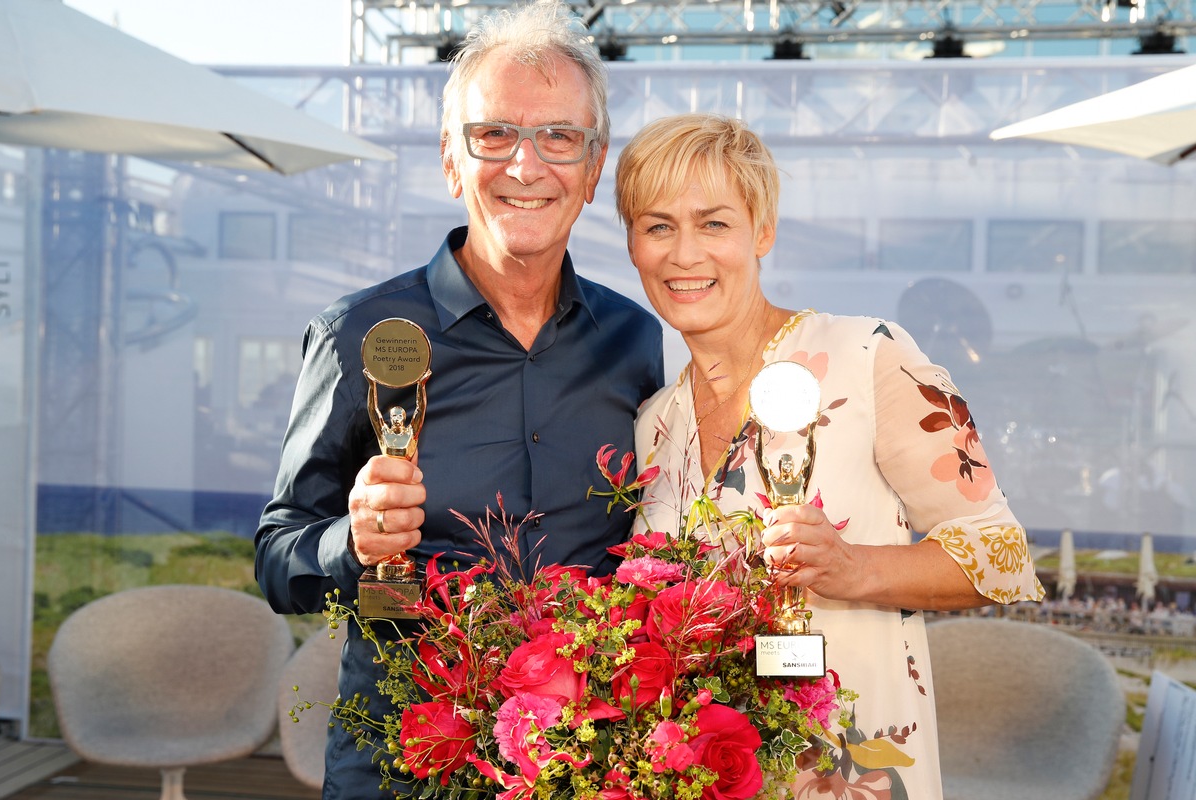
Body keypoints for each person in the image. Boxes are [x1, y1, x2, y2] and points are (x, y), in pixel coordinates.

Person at [255, 2, 664, 797]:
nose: (525, 165)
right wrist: (354, 543)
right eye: (494, 135)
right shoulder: (358, 333)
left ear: (592, 165)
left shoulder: (635, 340)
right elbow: (278, 562)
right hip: (403, 767)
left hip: (592, 764)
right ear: (450, 158)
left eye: (558, 137)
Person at [615, 113, 1043, 798]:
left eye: (714, 223)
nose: (683, 253)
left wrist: (853, 568)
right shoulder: (652, 426)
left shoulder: (870, 355)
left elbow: (1005, 558)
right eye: (658, 225)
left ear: (763, 231)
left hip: (859, 774)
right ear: (633, 244)